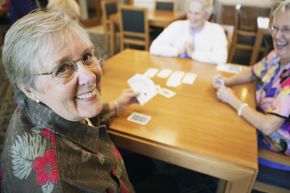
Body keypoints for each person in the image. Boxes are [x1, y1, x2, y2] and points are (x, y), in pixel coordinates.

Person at [0, 10, 179, 193]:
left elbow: (82, 113)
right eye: (62, 69)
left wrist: (118, 104)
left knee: (145, 164)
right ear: (29, 89)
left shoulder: (38, 105)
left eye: (86, 57)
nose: (89, 77)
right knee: (169, 183)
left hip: (108, 168)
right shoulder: (61, 183)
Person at [212, 1, 290, 162]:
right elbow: (252, 73)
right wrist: (227, 81)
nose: (277, 35)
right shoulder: (277, 55)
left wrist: (232, 99)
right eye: (275, 28)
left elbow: (268, 127)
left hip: (276, 150)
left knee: (219, 138)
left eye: (286, 30)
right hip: (255, 124)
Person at [149, 0, 228, 65]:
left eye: (197, 13)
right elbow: (154, 48)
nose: (192, 17)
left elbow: (221, 58)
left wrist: (193, 53)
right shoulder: (177, 25)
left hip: (203, 76)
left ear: (206, 15)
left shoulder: (216, 30)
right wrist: (178, 51)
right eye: (190, 12)